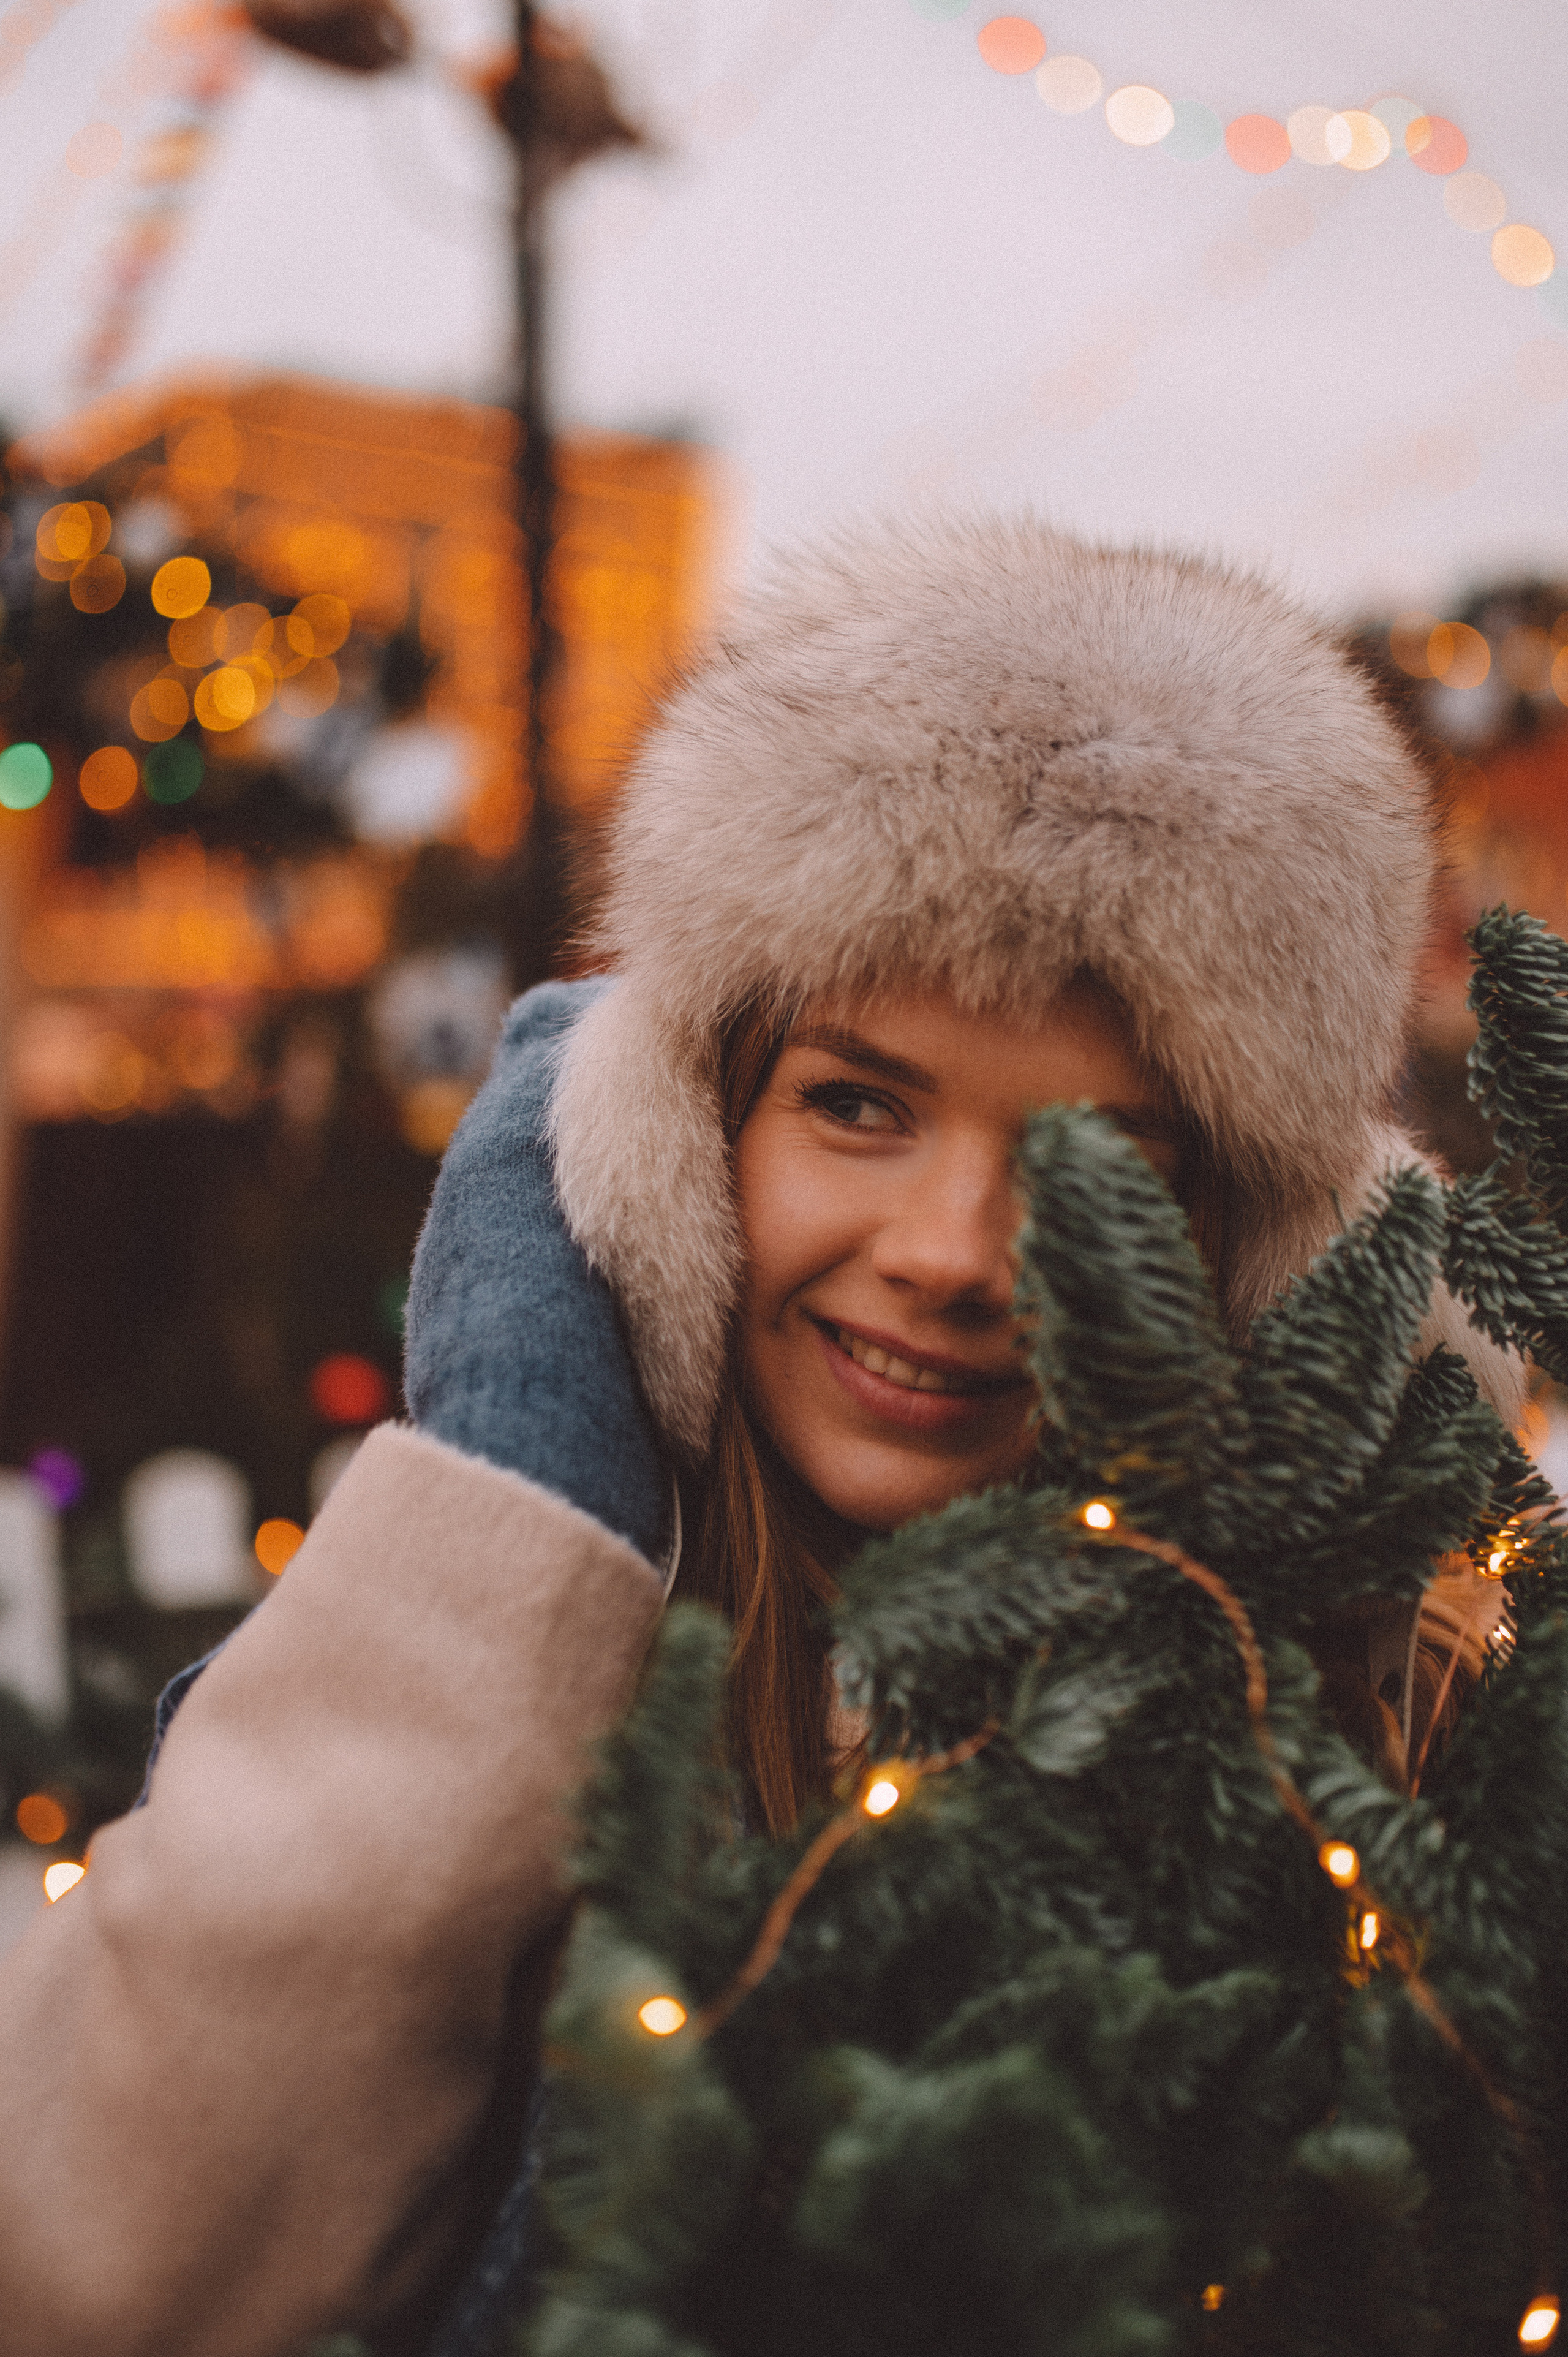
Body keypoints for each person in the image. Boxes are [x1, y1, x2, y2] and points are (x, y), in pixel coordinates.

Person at [0, 519, 1520, 2356]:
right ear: (692, 1141)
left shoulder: (1387, 1750)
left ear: (1253, 1254)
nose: (958, 1255)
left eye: (1102, 1160)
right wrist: (529, 1468)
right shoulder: (563, 1678)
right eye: (859, 1102)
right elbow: (105, 2277)